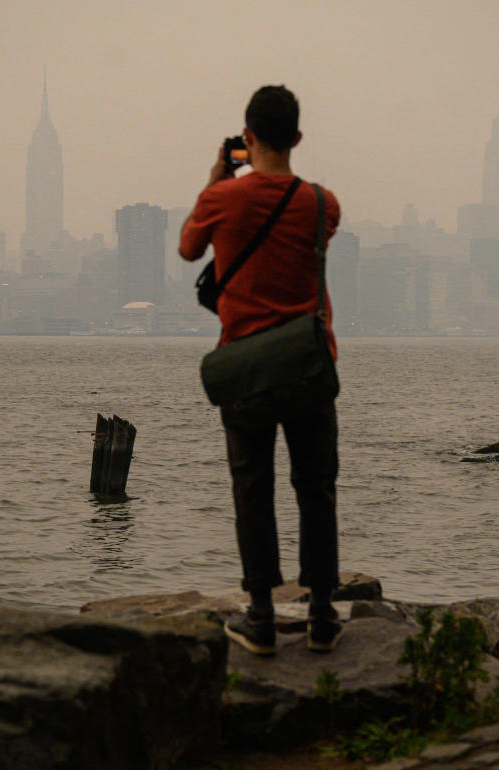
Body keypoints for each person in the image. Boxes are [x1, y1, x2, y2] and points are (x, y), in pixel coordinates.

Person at [179, 85, 343, 655]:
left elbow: (187, 248)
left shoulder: (223, 199)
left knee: (253, 489)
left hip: (246, 367)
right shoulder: (324, 203)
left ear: (247, 138)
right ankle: (322, 615)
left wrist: (219, 176)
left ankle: (262, 618)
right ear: (297, 138)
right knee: (316, 489)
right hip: (307, 364)